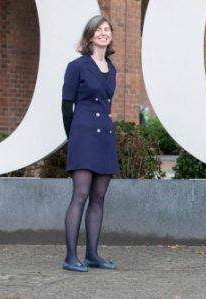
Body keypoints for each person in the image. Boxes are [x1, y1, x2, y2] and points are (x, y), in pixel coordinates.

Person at [61, 15, 119, 272]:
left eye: (107, 29)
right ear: (89, 37)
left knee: (99, 196)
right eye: (98, 29)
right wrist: (73, 135)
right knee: (81, 194)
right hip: (83, 134)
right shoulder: (77, 66)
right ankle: (71, 257)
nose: (103, 33)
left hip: (104, 136)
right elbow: (66, 106)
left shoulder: (112, 67)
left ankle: (93, 254)